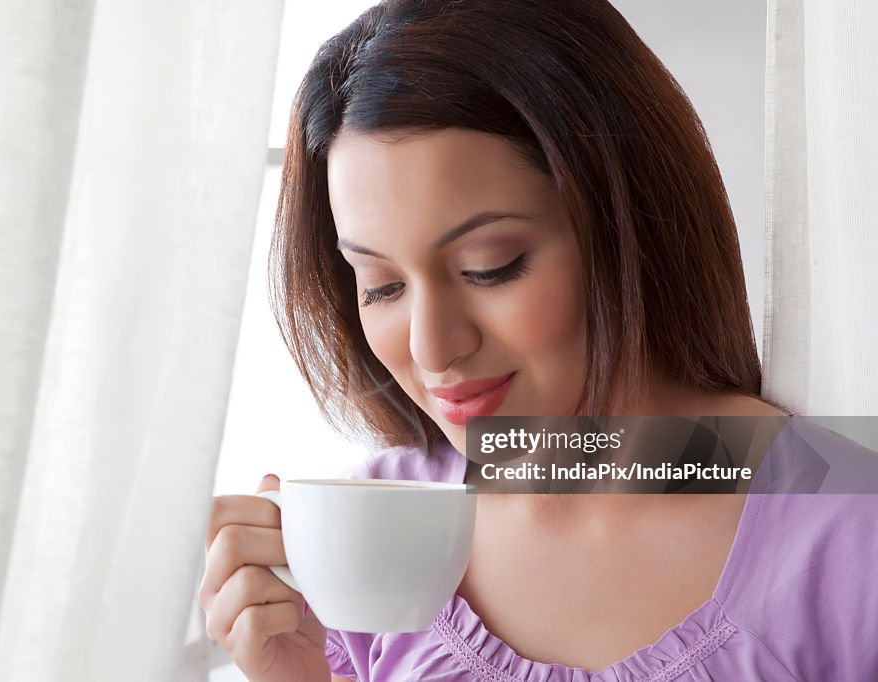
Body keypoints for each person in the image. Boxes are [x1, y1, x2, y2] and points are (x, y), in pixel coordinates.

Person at [198, 1, 878, 680]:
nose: (433, 349)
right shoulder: (361, 541)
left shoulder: (849, 535)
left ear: (625, 227)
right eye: (381, 286)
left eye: (489, 267)